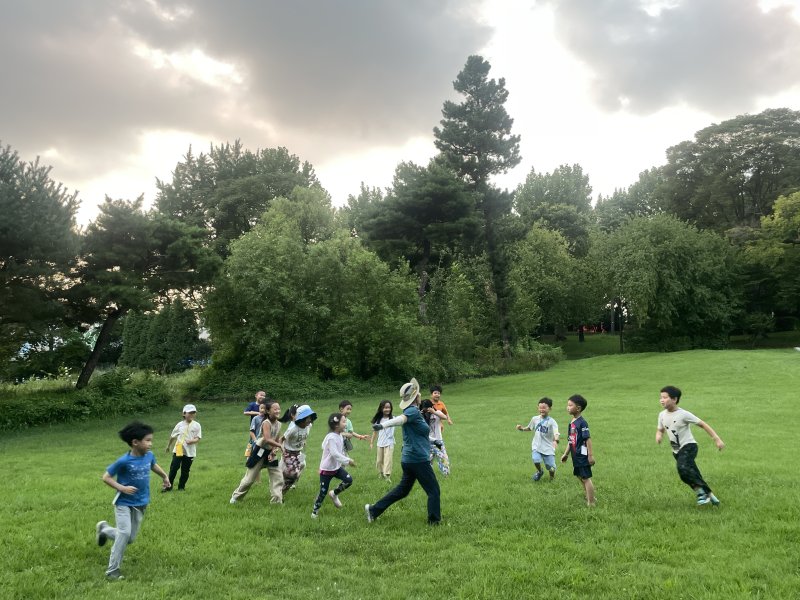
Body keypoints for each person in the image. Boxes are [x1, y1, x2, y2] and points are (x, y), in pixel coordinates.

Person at [95, 421, 171, 580]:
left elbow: (153, 465)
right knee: (124, 534)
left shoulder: (149, 456)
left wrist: (164, 477)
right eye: (148, 440)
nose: (151, 443)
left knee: (129, 538)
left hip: (141, 503)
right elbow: (106, 477)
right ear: (135, 442)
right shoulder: (124, 461)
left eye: (151, 440)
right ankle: (112, 571)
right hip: (123, 503)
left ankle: (104, 530)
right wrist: (121, 488)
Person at [365, 378, 441, 525]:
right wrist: (383, 426)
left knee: (402, 490)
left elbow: (417, 433)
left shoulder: (414, 412)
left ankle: (373, 510)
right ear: (415, 396)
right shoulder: (411, 411)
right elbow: (400, 419)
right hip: (418, 459)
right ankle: (434, 521)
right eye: (418, 393)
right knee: (434, 491)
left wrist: (434, 441)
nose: (420, 395)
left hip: (409, 459)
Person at [656, 385, 724, 506]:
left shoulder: (683, 414)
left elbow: (703, 424)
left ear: (674, 399)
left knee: (683, 469)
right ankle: (710, 496)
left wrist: (717, 439)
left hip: (689, 447)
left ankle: (701, 494)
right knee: (692, 473)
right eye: (661, 397)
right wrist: (659, 435)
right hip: (676, 451)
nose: (661, 400)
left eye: (665, 397)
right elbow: (660, 429)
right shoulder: (662, 415)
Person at [230, 400, 284, 504]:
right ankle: (236, 497)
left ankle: (277, 501)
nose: (278, 411)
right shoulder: (266, 423)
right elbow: (267, 439)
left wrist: (273, 452)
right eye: (275, 409)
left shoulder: (279, 424)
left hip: (270, 452)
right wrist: (280, 446)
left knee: (278, 477)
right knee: (249, 479)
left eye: (279, 408)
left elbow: (276, 440)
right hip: (260, 452)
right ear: (268, 411)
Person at [311, 413, 356, 518]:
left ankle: (334, 494)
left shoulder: (339, 435)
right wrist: (348, 460)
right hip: (326, 470)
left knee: (348, 480)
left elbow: (324, 446)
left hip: (336, 468)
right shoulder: (331, 437)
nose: (346, 424)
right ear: (336, 425)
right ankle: (314, 512)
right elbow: (334, 453)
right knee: (323, 492)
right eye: (344, 422)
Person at [560, 394, 595, 506]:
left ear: (578, 408)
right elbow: (571, 440)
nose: (567, 407)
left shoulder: (582, 423)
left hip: (583, 455)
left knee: (585, 478)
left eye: (570, 405)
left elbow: (587, 439)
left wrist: (590, 455)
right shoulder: (572, 423)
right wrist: (566, 454)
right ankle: (588, 496)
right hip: (576, 456)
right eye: (567, 405)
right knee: (580, 476)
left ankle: (591, 502)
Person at [516, 397, 560, 481]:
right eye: (540, 408)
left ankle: (552, 477)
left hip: (548, 447)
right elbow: (530, 428)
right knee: (536, 460)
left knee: (551, 468)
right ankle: (540, 471)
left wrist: (556, 439)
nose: (542, 410)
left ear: (550, 408)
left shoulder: (552, 421)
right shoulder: (535, 419)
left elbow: (556, 432)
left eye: (544, 408)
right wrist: (521, 428)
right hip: (536, 446)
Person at [165, 404, 202, 491]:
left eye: (193, 413)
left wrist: (192, 441)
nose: (192, 415)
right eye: (190, 413)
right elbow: (172, 436)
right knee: (173, 468)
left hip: (190, 452)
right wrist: (168, 446)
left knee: (185, 470)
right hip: (178, 450)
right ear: (184, 414)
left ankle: (181, 487)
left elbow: (198, 438)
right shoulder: (179, 425)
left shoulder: (197, 425)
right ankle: (168, 487)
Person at [281, 404, 317, 495]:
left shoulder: (309, 426)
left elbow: (304, 433)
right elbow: (281, 439)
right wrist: (279, 449)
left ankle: (285, 473)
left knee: (303, 464)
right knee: (294, 474)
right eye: (307, 418)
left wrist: (303, 440)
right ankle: (281, 491)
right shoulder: (292, 429)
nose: (309, 420)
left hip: (298, 452)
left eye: (310, 417)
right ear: (301, 418)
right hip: (289, 453)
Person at [420, 399, 450, 476]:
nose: (427, 410)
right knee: (428, 459)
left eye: (428, 408)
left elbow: (445, 417)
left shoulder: (437, 413)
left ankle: (446, 474)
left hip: (438, 440)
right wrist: (420, 415)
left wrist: (434, 412)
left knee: (443, 457)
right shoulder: (421, 415)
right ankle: (427, 475)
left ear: (431, 406)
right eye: (425, 408)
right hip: (427, 441)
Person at [369, 400, 396, 481]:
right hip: (380, 443)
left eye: (389, 407)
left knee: (388, 459)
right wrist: (371, 442)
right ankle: (381, 473)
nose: (387, 409)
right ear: (381, 408)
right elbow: (375, 432)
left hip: (390, 442)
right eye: (385, 408)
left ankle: (387, 476)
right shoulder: (378, 420)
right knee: (379, 460)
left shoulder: (393, 419)